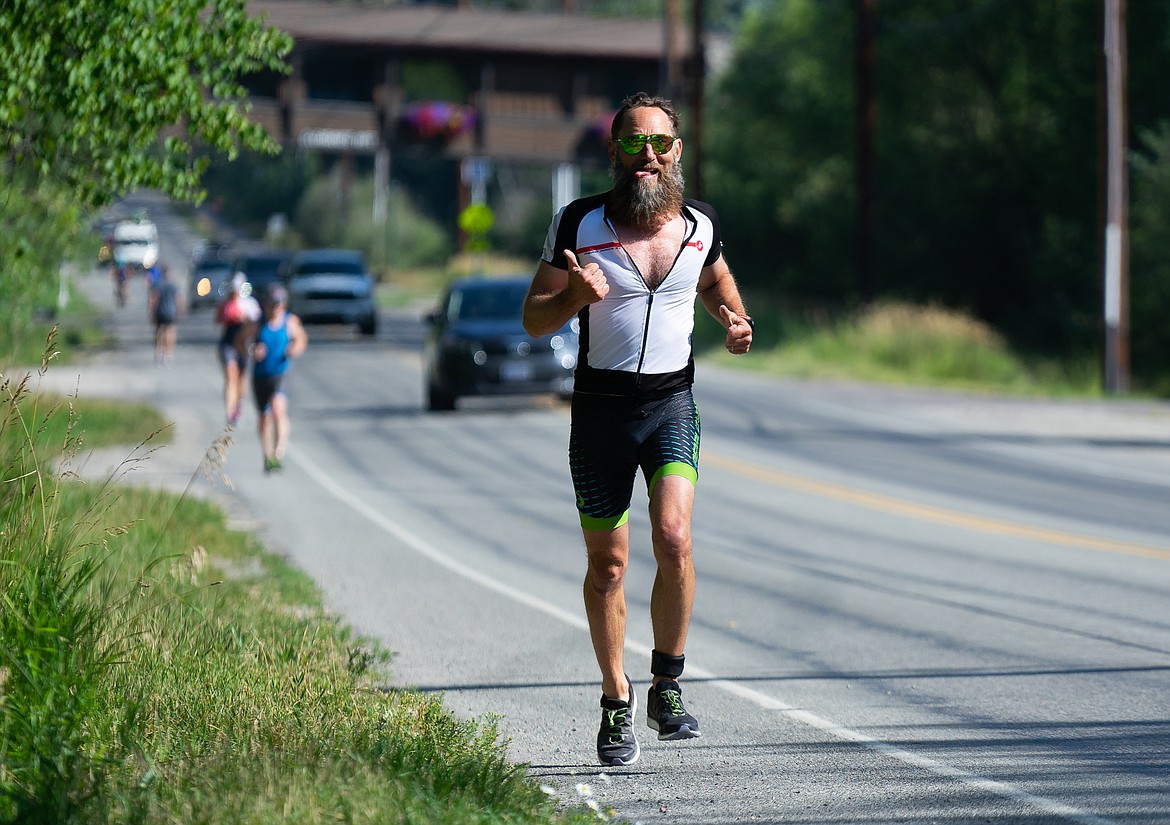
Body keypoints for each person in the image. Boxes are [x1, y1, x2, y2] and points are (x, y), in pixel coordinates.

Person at [522, 92, 753, 767]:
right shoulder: (576, 222)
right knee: (610, 566)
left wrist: (734, 321)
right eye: (632, 144)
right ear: (615, 152)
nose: (646, 156)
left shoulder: (700, 224)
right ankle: (615, 698)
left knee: (675, 537)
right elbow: (534, 319)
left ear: (677, 152)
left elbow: (715, 284)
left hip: (670, 404)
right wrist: (572, 297)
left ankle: (667, 685)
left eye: (659, 144)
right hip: (599, 411)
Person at [242, 283, 307, 473]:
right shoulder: (258, 323)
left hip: (281, 372)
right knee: (263, 417)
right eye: (272, 304)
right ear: (266, 304)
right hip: (261, 374)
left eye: (279, 304)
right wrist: (253, 350)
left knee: (278, 409)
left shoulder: (290, 322)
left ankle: (278, 452)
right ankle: (268, 455)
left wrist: (293, 349)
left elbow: (301, 339)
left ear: (284, 305)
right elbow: (241, 342)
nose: (276, 308)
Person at [215, 272, 261, 426]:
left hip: (244, 345)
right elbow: (217, 321)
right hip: (228, 343)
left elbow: (256, 326)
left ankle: (238, 406)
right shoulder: (225, 303)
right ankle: (229, 412)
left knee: (241, 379)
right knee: (230, 376)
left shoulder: (250, 304)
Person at [147, 264, 183, 365]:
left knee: (159, 331)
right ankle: (169, 352)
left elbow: (153, 299)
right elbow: (178, 299)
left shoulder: (157, 284)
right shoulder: (173, 285)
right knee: (170, 331)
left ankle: (159, 351)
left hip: (160, 311)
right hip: (171, 311)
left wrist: (151, 311)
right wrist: (180, 311)